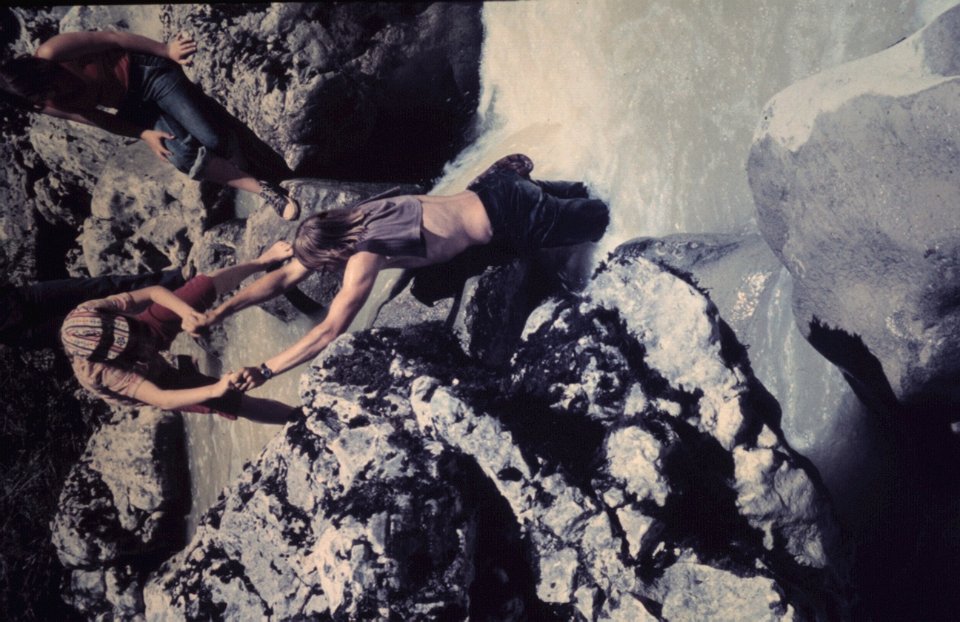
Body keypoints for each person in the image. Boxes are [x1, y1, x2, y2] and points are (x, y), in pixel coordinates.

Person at [185, 154, 610, 390]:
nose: (326, 270)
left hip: (512, 213)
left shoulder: (364, 256)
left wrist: (266, 370)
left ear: (335, 252)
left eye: (326, 263)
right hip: (498, 182)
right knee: (599, 192)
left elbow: (329, 330)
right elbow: (284, 276)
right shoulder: (358, 215)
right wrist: (220, 312)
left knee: (605, 222)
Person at [0, 30, 299, 220]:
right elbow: (100, 119)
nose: (46, 98)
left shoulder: (53, 53)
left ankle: (241, 157)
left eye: (41, 91)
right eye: (37, 100)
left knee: (212, 139)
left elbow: (112, 38)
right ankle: (264, 190)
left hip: (148, 74)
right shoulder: (46, 104)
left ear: (34, 73)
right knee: (180, 157)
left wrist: (166, 50)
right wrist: (143, 134)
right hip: (133, 108)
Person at [61, 242, 296, 423]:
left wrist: (187, 313)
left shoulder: (90, 310)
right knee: (229, 401)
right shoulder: (105, 373)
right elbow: (163, 399)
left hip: (145, 330)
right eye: (118, 343)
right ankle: (299, 419)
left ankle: (262, 261)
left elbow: (153, 292)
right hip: (153, 378)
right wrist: (216, 389)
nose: (125, 339)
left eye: (118, 331)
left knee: (202, 287)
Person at [0, 266, 189, 350]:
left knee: (98, 287)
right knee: (98, 330)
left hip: (23, 299)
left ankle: (175, 279)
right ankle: (174, 313)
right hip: (21, 331)